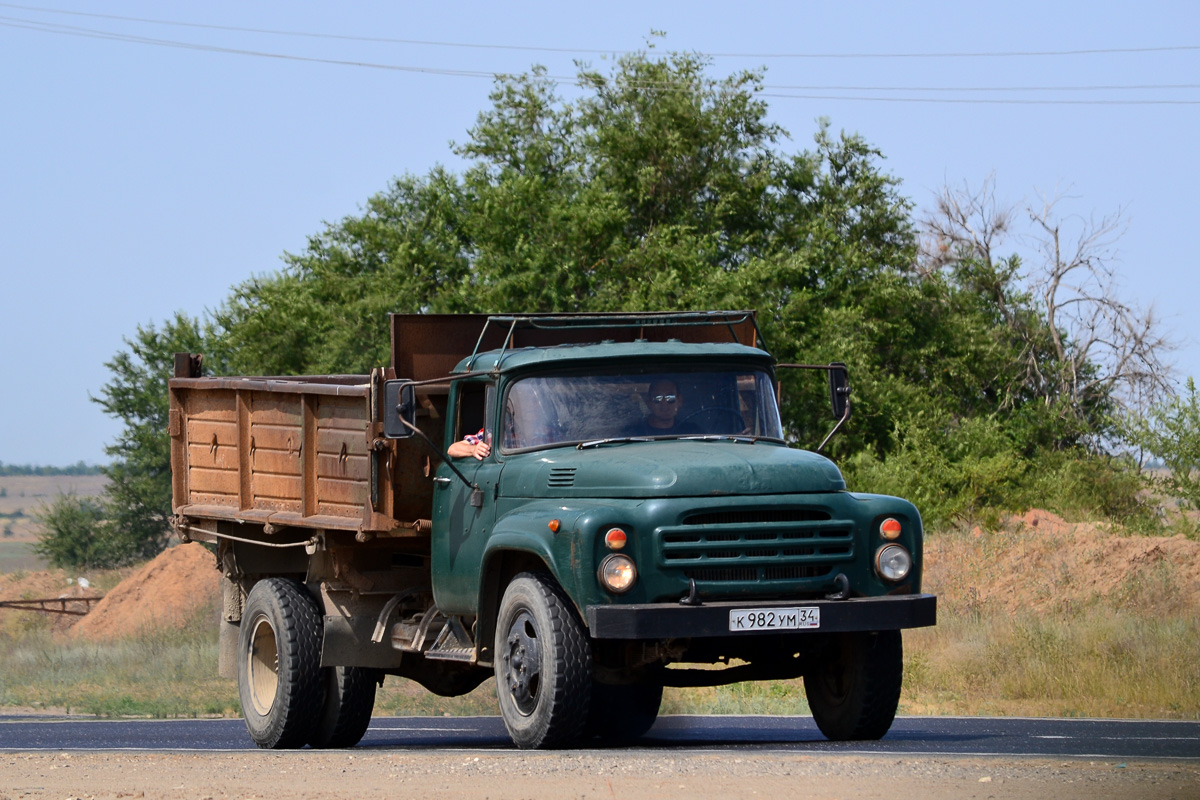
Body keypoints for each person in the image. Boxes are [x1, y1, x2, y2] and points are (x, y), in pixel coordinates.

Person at [631, 379, 699, 436]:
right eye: (658, 398)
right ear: (649, 402)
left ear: (679, 401)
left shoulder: (692, 432)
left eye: (670, 398)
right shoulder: (633, 433)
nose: (664, 403)